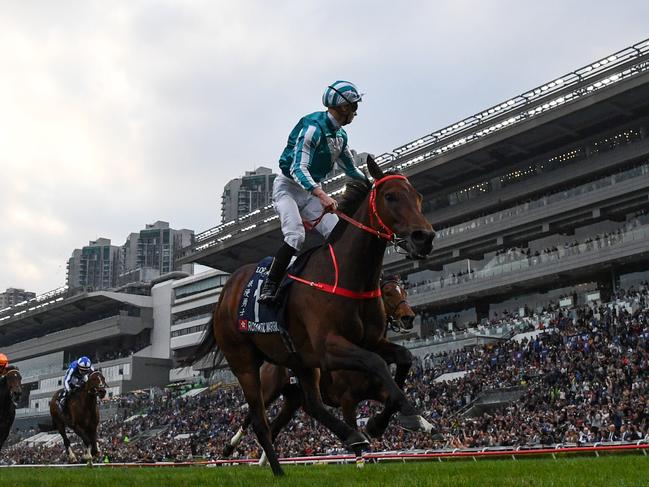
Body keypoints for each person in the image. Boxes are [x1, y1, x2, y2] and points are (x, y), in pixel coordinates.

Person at [258, 80, 369, 302]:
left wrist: (372, 183)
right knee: (295, 235)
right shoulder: (312, 129)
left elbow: (350, 169)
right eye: (354, 107)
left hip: (310, 193)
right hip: (288, 189)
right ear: (344, 108)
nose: (356, 113)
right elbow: (297, 168)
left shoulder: (340, 137)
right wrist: (322, 195)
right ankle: (269, 286)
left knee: (338, 234)